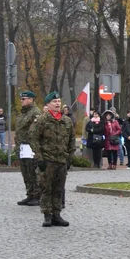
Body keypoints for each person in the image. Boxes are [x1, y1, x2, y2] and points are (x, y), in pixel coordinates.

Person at [30, 92, 75, 227]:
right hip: (47, 160)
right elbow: (34, 139)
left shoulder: (66, 121)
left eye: (59, 101)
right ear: (48, 104)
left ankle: (57, 214)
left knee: (58, 189)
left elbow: (71, 140)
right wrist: (39, 158)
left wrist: (70, 158)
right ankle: (47, 215)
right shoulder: (42, 120)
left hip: (61, 160)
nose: (57, 104)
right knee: (46, 189)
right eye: (54, 102)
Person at [15, 91, 42, 206]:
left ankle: (37, 195)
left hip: (30, 147)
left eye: (24, 99)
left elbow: (36, 131)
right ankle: (30, 193)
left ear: (31, 99)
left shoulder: (35, 112)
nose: (21, 101)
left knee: (32, 172)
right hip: (22, 146)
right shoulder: (23, 113)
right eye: (21, 99)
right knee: (25, 172)